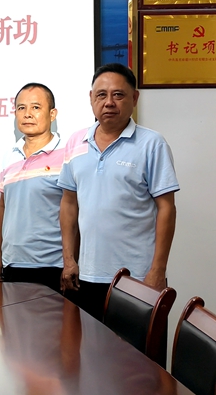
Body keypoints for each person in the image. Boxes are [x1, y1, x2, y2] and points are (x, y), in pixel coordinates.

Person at [58, 63, 179, 321]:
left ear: (134, 98)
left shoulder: (152, 144)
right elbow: (69, 204)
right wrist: (69, 260)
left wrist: (157, 271)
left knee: (138, 348)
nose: (109, 102)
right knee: (89, 346)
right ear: (91, 99)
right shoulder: (75, 142)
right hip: (87, 276)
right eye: (101, 95)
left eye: (118, 95)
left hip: (138, 278)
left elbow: (166, 208)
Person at [0, 83, 65, 294]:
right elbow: (3, 206)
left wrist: (72, 261)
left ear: (52, 114)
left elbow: (75, 210)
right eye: (21, 108)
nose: (27, 114)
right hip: (13, 264)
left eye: (36, 107)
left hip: (53, 265)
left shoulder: (67, 155)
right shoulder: (10, 155)